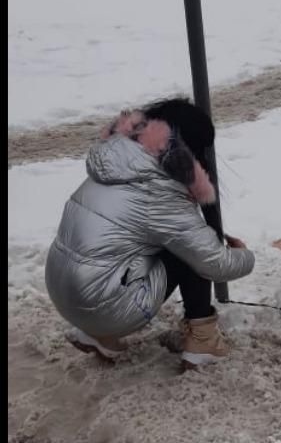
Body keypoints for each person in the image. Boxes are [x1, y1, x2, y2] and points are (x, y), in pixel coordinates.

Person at [44, 97, 254, 368]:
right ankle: (203, 341)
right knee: (192, 250)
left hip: (63, 292)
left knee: (162, 241)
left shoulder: (115, 161)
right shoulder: (160, 192)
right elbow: (214, 263)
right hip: (102, 304)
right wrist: (244, 255)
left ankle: (98, 335)